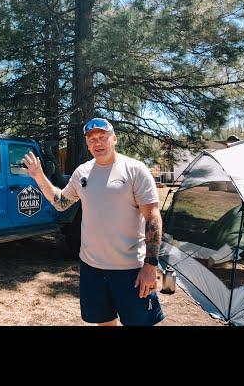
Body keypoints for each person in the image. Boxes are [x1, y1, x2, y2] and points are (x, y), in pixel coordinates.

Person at [22, 117, 164, 326]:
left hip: (130, 269)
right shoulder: (82, 173)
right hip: (92, 268)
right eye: (92, 139)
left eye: (102, 137)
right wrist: (39, 176)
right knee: (104, 322)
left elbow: (152, 217)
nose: (97, 143)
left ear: (114, 139)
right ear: (87, 145)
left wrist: (150, 265)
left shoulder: (135, 169)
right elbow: (61, 203)